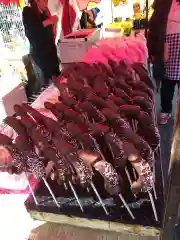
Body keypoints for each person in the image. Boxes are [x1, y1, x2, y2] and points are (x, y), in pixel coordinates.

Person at [147, 0, 180, 125]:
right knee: (167, 82)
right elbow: (153, 29)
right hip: (166, 50)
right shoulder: (163, 2)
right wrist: (150, 51)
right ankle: (166, 110)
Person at [22, 0, 60, 91]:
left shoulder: (44, 13)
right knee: (45, 86)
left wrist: (53, 22)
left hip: (50, 53)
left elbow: (48, 32)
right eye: (44, 1)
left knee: (56, 81)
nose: (46, 3)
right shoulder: (28, 11)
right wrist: (50, 21)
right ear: (36, 1)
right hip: (40, 56)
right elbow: (33, 30)